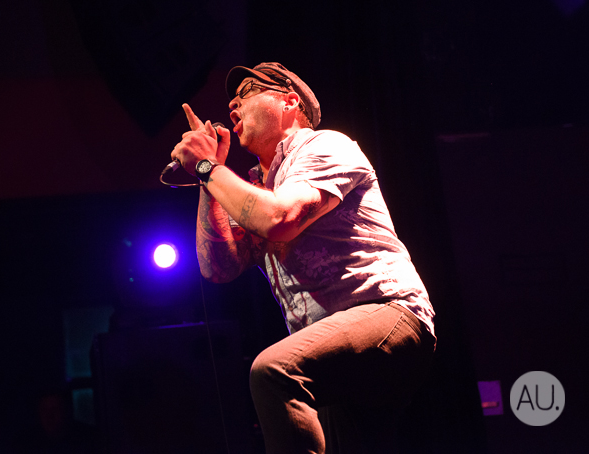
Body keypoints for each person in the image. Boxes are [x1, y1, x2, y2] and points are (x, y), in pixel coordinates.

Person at [171, 62, 436, 454]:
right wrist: (207, 177)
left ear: (289, 102)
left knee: (273, 373)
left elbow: (280, 219)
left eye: (247, 92)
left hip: (388, 313)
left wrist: (209, 168)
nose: (232, 104)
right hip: (331, 350)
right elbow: (218, 267)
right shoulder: (257, 187)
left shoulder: (325, 146)